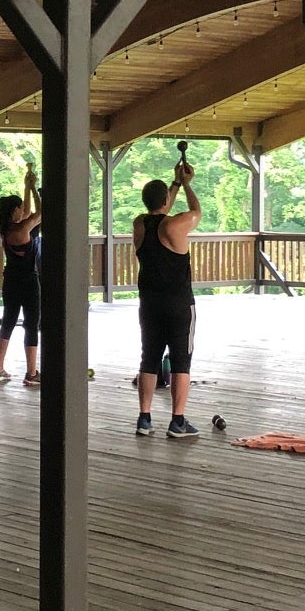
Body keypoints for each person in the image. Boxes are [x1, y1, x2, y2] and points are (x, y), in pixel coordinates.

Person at [135, 156, 201, 438]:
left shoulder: (140, 224)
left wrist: (173, 183)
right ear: (166, 200)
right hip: (178, 305)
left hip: (149, 304)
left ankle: (145, 418)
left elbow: (159, 211)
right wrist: (187, 185)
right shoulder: (176, 226)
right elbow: (196, 211)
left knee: (149, 358)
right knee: (181, 361)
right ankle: (177, 421)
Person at [0, 164, 42, 384]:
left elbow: (28, 212)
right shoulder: (22, 230)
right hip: (29, 282)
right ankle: (31, 373)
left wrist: (26, 185)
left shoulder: (6, 229)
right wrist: (34, 189)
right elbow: (40, 213)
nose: (22, 210)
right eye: (19, 208)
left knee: (8, 322)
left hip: (11, 281)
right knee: (31, 325)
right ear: (14, 211)